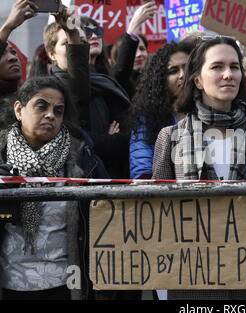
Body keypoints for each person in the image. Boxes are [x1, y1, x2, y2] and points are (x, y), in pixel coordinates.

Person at [152, 36, 246, 300]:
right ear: (197, 80)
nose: (228, 75)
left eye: (234, 67)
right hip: (190, 280)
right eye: (217, 67)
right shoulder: (170, 137)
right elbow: (157, 214)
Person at [0, 76, 105, 300]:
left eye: (58, 111)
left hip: (66, 286)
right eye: (41, 106)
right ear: (19, 110)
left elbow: (105, 220)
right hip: (9, 285)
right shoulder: (2, 159)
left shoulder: (81, 162)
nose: (50, 115)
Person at [44, 7, 131, 179]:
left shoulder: (104, 85)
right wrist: (105, 141)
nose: (78, 48)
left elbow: (125, 139)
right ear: (51, 53)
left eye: (82, 43)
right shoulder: (49, 90)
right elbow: (76, 140)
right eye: (68, 42)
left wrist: (108, 142)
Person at [129, 40, 195, 179]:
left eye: (188, 68)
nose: (182, 75)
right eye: (173, 71)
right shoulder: (147, 119)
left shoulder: (211, 112)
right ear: (161, 80)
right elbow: (142, 171)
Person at [0, 0, 37, 129]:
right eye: (2, 54)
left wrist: (72, 35)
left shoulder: (33, 98)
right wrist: (8, 26)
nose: (12, 58)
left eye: (13, 52)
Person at [109, 1, 156, 97]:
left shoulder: (157, 82)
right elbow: (122, 71)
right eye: (133, 51)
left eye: (142, 49)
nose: (139, 54)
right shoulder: (114, 83)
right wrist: (135, 23)